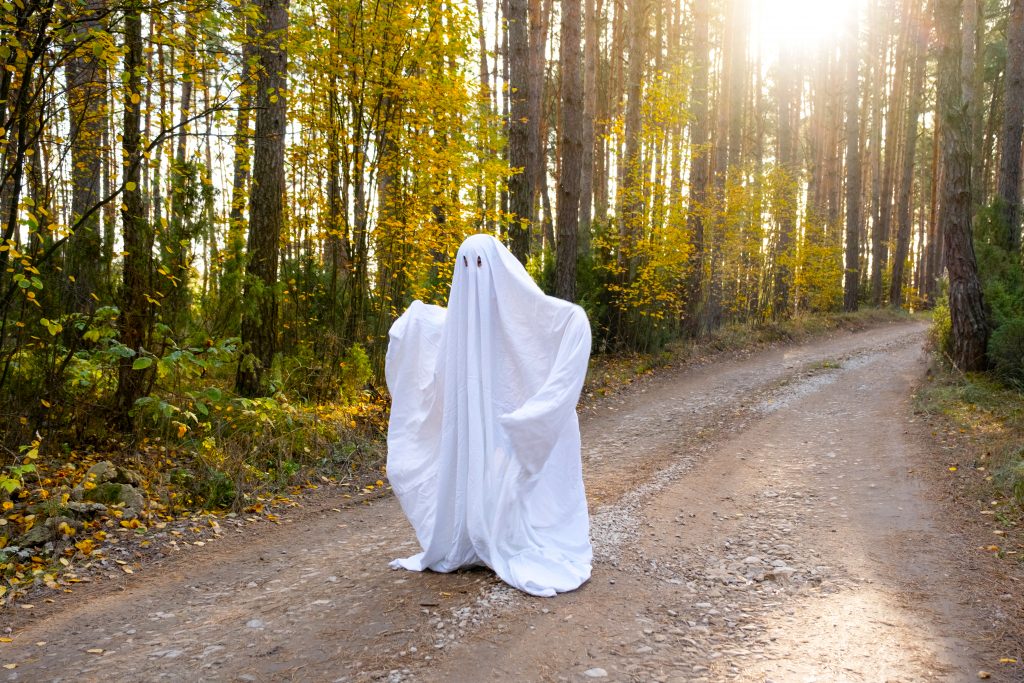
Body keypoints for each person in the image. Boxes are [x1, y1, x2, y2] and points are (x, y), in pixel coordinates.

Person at [385, 233, 592, 597]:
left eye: (481, 265)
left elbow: (547, 329)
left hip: (503, 418)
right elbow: (429, 340)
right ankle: (468, 531)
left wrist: (531, 413)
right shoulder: (457, 326)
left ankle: (500, 530)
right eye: (465, 265)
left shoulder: (515, 318)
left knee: (504, 474)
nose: (473, 274)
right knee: (469, 462)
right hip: (467, 419)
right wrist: (409, 328)